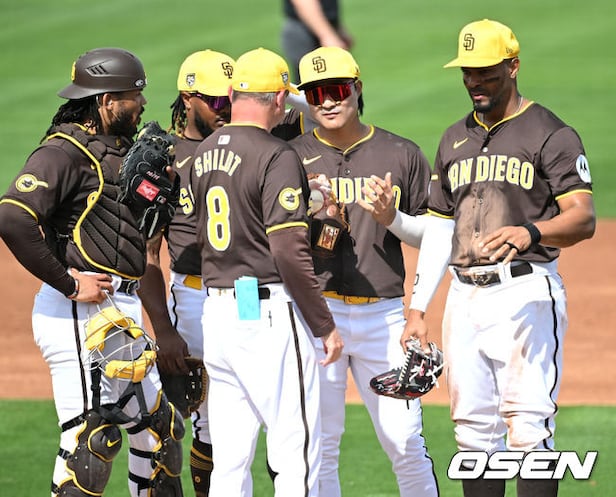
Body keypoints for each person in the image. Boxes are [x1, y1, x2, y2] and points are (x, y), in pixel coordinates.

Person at [402, 19, 596, 497]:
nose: (474, 82)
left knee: (528, 429)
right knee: (473, 434)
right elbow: (440, 229)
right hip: (464, 298)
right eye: (467, 72)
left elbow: (583, 217)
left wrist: (532, 231)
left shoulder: (550, 133)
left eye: (486, 72)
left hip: (524, 291)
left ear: (513, 67)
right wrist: (418, 307)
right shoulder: (454, 138)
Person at [0, 48, 185, 496]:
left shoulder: (119, 151)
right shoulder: (63, 152)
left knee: (160, 433)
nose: (143, 103)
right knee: (90, 442)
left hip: (120, 311)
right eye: (134, 95)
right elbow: (12, 217)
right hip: (78, 315)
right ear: (105, 101)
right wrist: (69, 283)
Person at [190, 47, 344, 497]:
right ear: (278, 98)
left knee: (230, 461)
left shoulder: (203, 153)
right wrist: (324, 324)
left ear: (233, 94)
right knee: (296, 453)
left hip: (218, 314)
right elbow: (288, 250)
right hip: (267, 314)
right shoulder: (277, 154)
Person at [289, 46, 439, 497]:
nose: (327, 101)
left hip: (384, 317)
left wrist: (393, 217)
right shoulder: (289, 158)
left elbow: (433, 237)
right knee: (320, 446)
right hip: (318, 316)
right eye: (315, 93)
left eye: (336, 89)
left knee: (405, 442)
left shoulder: (401, 153)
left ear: (356, 88)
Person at [138, 49, 234, 497]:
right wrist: (163, 329)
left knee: (266, 419)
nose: (225, 108)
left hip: (250, 296)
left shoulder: (249, 143)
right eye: (215, 100)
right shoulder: (164, 158)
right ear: (188, 98)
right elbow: (147, 252)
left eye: (231, 98)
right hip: (195, 300)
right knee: (210, 424)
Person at [281, 0, 353, 82]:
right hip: (307, 30)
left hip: (319, 27)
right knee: (313, 84)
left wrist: (337, 29)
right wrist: (327, 35)